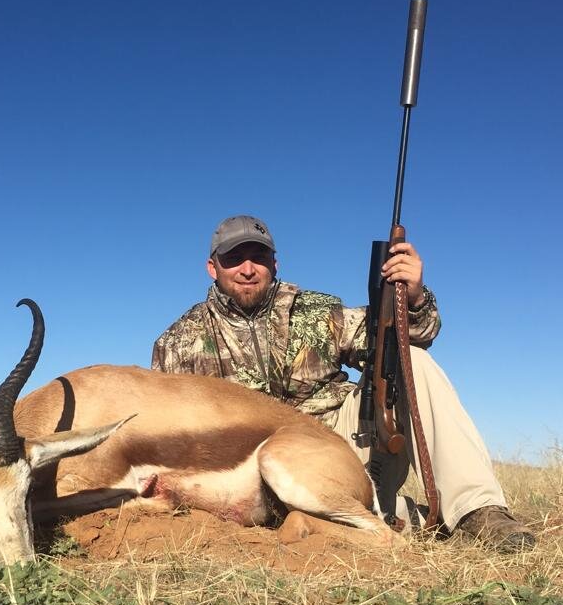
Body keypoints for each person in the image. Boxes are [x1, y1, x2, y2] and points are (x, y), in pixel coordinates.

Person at [151, 214, 535, 552]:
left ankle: (477, 510)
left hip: (342, 443)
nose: (248, 268)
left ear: (274, 263)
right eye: (234, 259)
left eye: (259, 257)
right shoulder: (178, 342)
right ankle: (398, 516)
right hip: (249, 471)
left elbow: (411, 334)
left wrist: (413, 297)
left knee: (409, 359)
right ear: (212, 267)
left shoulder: (319, 312)